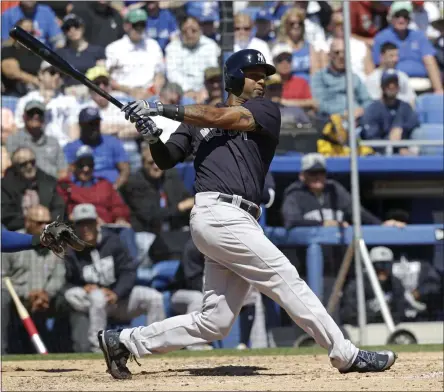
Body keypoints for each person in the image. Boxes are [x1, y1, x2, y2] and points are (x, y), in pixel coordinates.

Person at [97, 48, 397, 379]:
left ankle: (124, 340)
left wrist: (162, 108)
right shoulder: (195, 123)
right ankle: (345, 353)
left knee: (214, 322)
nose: (260, 81)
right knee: (286, 278)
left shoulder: (264, 111)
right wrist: (153, 134)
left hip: (238, 218)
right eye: (253, 75)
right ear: (234, 78)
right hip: (217, 212)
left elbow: (222, 118)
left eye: (262, 76)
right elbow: (167, 158)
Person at [63, 203, 166, 353]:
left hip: (118, 299)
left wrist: (117, 292)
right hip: (92, 301)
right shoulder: (72, 251)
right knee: (96, 297)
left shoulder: (112, 242)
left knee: (154, 297)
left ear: (96, 223)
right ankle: (97, 347)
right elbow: (66, 281)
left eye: (89, 223)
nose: (85, 228)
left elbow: (128, 271)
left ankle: (155, 345)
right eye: (81, 224)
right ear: (75, 227)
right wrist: (82, 287)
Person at [1, 205, 67, 354]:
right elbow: (2, 277)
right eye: (39, 223)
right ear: (27, 222)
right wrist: (26, 294)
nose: (44, 226)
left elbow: (59, 277)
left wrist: (45, 294)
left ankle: (67, 350)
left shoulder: (56, 244)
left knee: (68, 299)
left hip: (46, 298)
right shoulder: (13, 241)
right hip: (15, 297)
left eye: (47, 222)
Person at [281, 153, 406, 230]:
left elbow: (357, 212)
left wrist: (381, 224)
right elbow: (292, 220)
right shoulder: (295, 194)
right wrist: (322, 224)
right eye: (312, 173)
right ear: (302, 176)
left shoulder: (334, 189)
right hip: (308, 259)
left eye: (321, 172)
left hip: (337, 257)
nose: (318, 177)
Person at [121, 146, 194, 266]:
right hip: (148, 233)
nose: (156, 166)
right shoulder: (134, 183)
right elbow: (151, 215)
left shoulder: (171, 175)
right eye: (151, 162)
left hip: (174, 231)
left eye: (159, 161)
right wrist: (180, 207)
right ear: (142, 163)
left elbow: (186, 199)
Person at [372, 1, 443, 94]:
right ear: (391, 17)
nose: (401, 20)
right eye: (397, 16)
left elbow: (430, 62)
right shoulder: (381, 38)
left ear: (410, 19)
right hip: (394, 87)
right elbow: (378, 65)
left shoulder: (419, 36)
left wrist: (438, 90)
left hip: (422, 84)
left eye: (405, 16)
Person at [81, 66, 141, 172]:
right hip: (103, 156)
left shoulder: (122, 100)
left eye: (105, 83)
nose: (102, 87)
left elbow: (139, 127)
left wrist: (114, 133)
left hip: (130, 151)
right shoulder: (85, 107)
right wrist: (123, 128)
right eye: (97, 83)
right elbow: (97, 131)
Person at [56, 146, 130, 226]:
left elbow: (117, 205)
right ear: (74, 166)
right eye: (81, 164)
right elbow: (62, 211)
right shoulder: (66, 186)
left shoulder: (104, 185)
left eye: (89, 164)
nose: (86, 169)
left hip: (106, 227)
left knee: (126, 232)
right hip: (81, 227)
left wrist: (119, 218)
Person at [14, 61, 80, 147]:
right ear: (41, 75)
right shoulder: (26, 100)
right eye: (52, 72)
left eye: (61, 74)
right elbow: (19, 128)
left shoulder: (70, 101)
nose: (57, 76)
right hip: (37, 147)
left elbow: (74, 130)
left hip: (64, 147)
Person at [105, 8, 165, 100]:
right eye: (135, 25)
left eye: (142, 25)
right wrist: (130, 91)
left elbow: (160, 75)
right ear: (126, 26)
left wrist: (150, 92)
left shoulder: (153, 45)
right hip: (123, 95)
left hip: (150, 95)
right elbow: (108, 78)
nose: (139, 29)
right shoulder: (113, 48)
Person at [63, 107, 130, 189]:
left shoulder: (112, 142)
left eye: (96, 123)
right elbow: (67, 173)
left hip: (111, 188)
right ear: (81, 125)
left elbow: (125, 170)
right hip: (83, 190)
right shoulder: (71, 147)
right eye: (90, 124)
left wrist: (114, 188)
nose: (94, 128)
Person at [1, 147, 66, 232]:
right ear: (15, 166)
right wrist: (31, 222)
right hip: (18, 229)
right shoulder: (5, 185)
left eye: (32, 162)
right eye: (23, 164)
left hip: (47, 226)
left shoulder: (49, 182)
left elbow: (59, 208)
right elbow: (6, 215)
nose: (29, 166)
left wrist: (45, 221)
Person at [311, 38, 372, 121]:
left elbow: (367, 100)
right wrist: (342, 113)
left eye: (344, 52)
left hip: (357, 119)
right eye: (337, 52)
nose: (341, 56)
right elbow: (319, 104)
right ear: (329, 55)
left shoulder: (353, 77)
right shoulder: (319, 77)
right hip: (332, 121)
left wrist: (362, 110)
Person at [361, 70, 420, 156]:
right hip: (378, 156)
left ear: (399, 86)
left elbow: (414, 123)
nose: (391, 86)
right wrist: (391, 142)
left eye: (394, 83)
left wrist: (401, 129)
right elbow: (371, 138)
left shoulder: (405, 107)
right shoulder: (372, 109)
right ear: (382, 86)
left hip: (404, 153)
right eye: (388, 83)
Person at [5, 100, 68, 179]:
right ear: (24, 117)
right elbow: (9, 167)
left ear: (44, 117)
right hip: (23, 185)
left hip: (51, 186)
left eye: (39, 113)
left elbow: (63, 171)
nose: (36, 116)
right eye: (31, 113)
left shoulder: (53, 142)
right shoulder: (13, 140)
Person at [165, 15, 221, 103]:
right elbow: (173, 74)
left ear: (200, 30)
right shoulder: (172, 48)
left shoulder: (210, 45)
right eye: (185, 31)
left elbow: (212, 72)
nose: (189, 34)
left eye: (193, 30)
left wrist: (203, 91)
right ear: (180, 32)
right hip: (182, 93)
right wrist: (187, 90)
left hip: (206, 91)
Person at [56, 14, 106, 100]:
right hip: (69, 93)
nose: (72, 30)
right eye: (67, 28)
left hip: (93, 92)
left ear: (82, 27)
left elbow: (102, 75)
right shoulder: (61, 53)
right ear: (64, 32)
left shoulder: (97, 51)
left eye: (76, 25)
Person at [274, 7, 325, 83]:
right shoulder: (280, 48)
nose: (296, 26)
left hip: (308, 89)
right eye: (292, 23)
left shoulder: (310, 47)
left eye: (299, 23)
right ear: (286, 25)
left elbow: (316, 74)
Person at [325, 11, 374, 82]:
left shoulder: (362, 46)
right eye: (338, 24)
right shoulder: (324, 47)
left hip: (360, 87)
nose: (342, 26)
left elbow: (370, 74)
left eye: (345, 23)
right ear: (331, 26)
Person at [366, 42, 416, 107]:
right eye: (391, 56)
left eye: (397, 56)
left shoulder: (402, 76)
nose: (395, 59)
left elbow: (411, 99)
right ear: (382, 57)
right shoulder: (373, 78)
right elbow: (373, 102)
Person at [1, 18, 42, 97]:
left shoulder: (37, 54)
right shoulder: (8, 50)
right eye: (24, 32)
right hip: (13, 94)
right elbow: (12, 72)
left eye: (31, 32)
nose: (28, 35)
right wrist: (34, 80)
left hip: (35, 94)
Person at [270, 44, 317, 111]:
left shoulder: (301, 82)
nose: (285, 63)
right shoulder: (269, 84)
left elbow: (312, 103)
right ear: (275, 63)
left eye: (288, 59)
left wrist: (284, 102)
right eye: (280, 60)